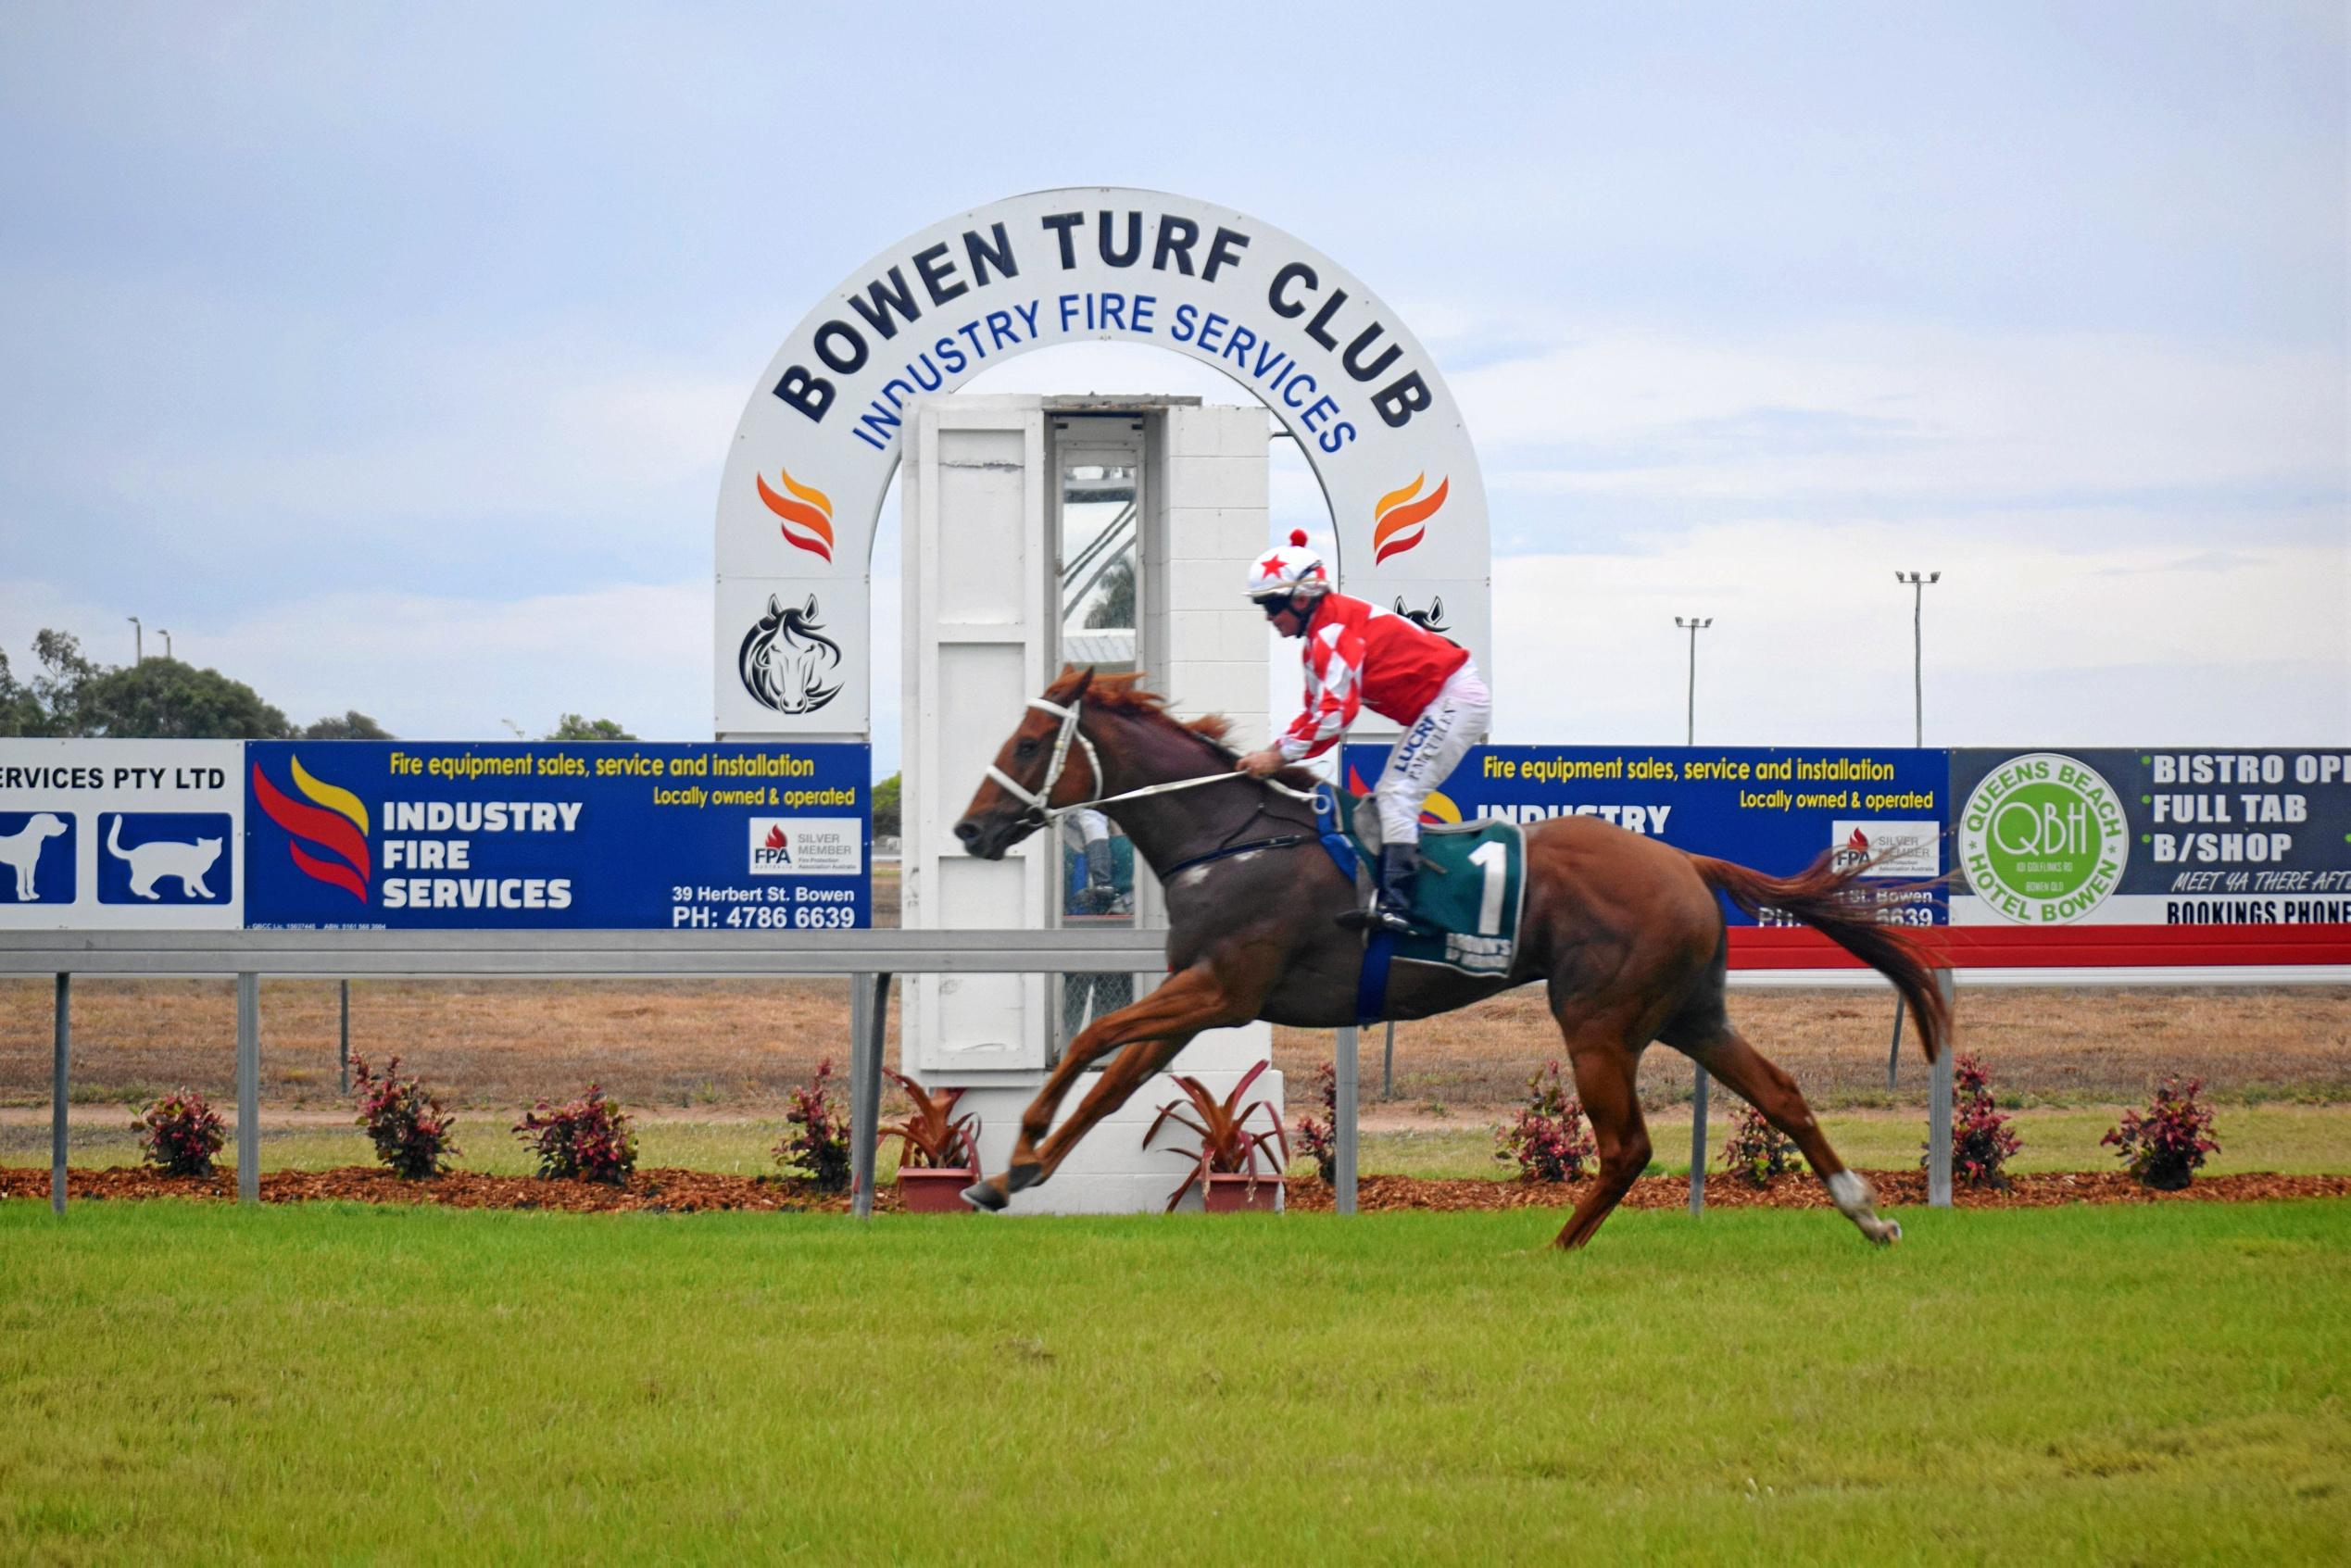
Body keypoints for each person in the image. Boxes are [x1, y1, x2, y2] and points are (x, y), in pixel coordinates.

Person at [1233, 529, 1492, 935]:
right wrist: (1273, 751)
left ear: (1301, 599)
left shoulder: (1332, 632)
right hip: (1443, 701)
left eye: (1271, 606)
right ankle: (1392, 894)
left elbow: (1336, 717)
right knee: (1382, 800)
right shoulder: (1318, 639)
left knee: (1397, 794)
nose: (1268, 617)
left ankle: (1399, 906)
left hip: (1454, 698)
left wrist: (1278, 757)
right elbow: (1316, 716)